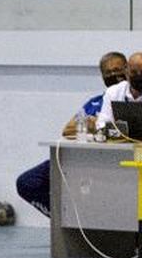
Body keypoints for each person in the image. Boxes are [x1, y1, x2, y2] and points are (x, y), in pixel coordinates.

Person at [14, 51, 126, 216]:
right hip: (77, 159)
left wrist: (95, 124)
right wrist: (96, 125)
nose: (113, 75)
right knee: (27, 182)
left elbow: (125, 130)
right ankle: (64, 219)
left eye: (117, 70)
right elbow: (68, 130)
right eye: (108, 72)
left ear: (127, 69)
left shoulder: (133, 100)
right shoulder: (95, 102)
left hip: (109, 164)